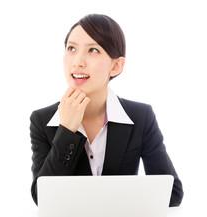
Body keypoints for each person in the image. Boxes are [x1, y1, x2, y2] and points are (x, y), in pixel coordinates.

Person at [29, 14, 183, 207]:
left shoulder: (141, 117)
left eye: (93, 50)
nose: (77, 61)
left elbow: (172, 194)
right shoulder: (42, 120)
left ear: (116, 66)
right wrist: (67, 131)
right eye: (71, 48)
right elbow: (42, 199)